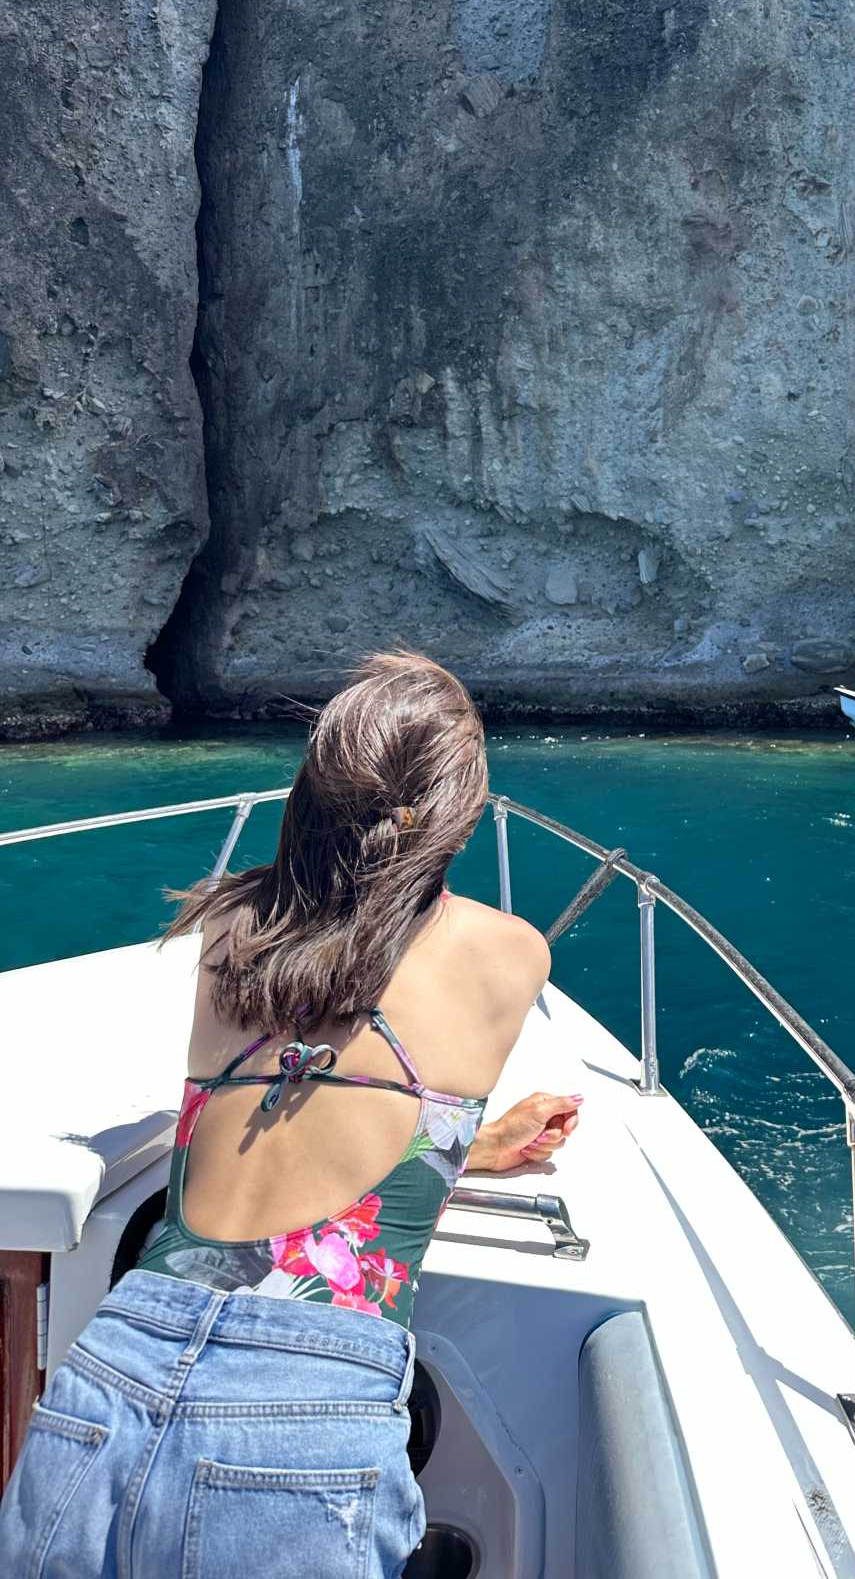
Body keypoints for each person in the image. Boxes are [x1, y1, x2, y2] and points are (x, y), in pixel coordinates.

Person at [0, 650, 580, 1579]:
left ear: (310, 792)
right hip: (306, 1412)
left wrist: (477, 1148)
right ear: (453, 814)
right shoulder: (506, 953)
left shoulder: (229, 927)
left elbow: (306, 1105)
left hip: (108, 1374)